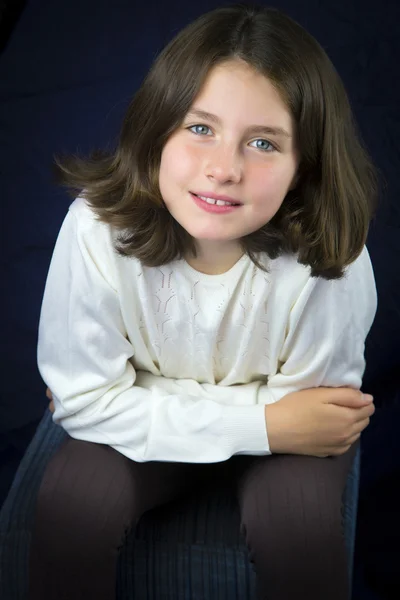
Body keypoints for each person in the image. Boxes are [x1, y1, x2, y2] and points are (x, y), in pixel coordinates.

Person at [28, 4, 379, 600]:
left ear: (304, 166)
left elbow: (317, 417)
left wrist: (129, 395)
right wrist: (263, 420)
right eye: (199, 128)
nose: (224, 169)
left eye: (264, 142)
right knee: (73, 506)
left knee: (297, 523)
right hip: (271, 424)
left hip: (282, 447)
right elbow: (83, 404)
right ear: (157, 130)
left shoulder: (332, 257)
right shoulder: (95, 229)